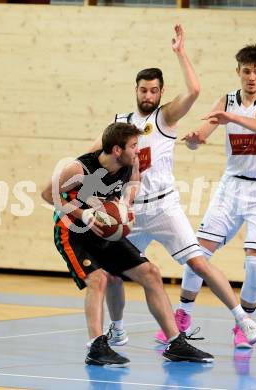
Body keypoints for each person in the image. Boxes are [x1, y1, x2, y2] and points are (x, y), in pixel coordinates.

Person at [90, 25, 256, 348]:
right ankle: (117, 328)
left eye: (153, 91)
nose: (148, 96)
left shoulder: (164, 118)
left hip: (164, 207)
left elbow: (195, 91)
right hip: (130, 211)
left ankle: (243, 319)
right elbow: (92, 152)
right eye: (143, 90)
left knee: (198, 262)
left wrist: (180, 52)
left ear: (160, 92)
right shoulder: (121, 122)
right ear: (136, 90)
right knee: (111, 273)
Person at [41, 122, 214, 367]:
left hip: (104, 230)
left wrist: (125, 208)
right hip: (73, 230)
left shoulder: (130, 163)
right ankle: (96, 347)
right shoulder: (79, 168)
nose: (138, 150)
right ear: (116, 150)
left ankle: (175, 342)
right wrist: (85, 215)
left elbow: (133, 184)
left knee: (151, 273)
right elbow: (48, 195)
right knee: (98, 279)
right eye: (133, 146)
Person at [172, 43, 256, 349]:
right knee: (197, 253)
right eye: (246, 71)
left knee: (255, 263)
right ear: (238, 72)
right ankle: (182, 316)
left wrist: (233, 119)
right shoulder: (226, 100)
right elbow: (204, 131)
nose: (251, 77)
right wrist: (195, 140)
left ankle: (244, 323)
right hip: (232, 187)